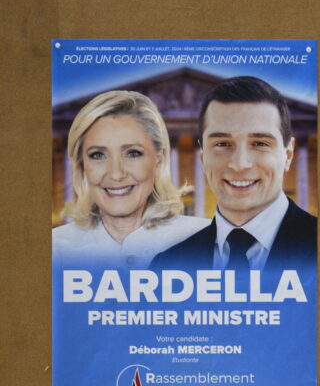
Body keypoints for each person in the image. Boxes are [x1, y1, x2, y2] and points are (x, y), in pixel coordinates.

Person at [151, 76, 315, 273]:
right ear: (203, 157)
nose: (239, 164)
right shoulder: (165, 265)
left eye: (260, 143)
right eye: (222, 144)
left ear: (288, 155)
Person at [53, 90, 206, 268]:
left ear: (159, 160)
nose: (116, 174)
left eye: (133, 153)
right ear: (81, 165)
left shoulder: (210, 244)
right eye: (97, 155)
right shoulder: (54, 250)